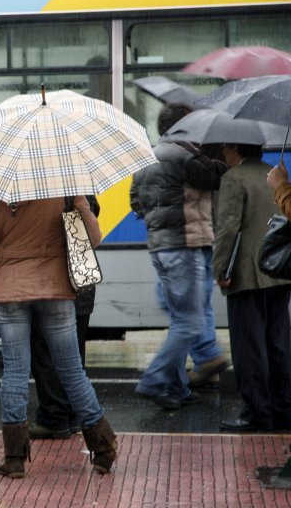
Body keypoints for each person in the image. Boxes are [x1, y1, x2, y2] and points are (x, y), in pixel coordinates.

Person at [0, 190, 117, 478]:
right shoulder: (63, 181)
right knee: (72, 371)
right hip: (55, 285)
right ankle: (104, 447)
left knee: (15, 372)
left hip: (9, 287)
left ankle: (14, 458)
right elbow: (92, 237)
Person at [130, 103, 229, 410]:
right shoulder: (186, 157)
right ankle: (155, 378)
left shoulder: (147, 157)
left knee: (181, 318)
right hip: (186, 247)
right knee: (190, 320)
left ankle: (176, 386)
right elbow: (218, 177)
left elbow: (136, 203)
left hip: (160, 248)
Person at [214, 145, 291, 432]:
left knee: (250, 347)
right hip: (280, 273)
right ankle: (283, 408)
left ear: (232, 147)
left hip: (246, 275)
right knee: (279, 344)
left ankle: (257, 412)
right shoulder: (274, 175)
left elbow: (228, 229)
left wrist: (221, 269)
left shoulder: (234, 178)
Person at [28, 196, 99, 439]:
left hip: (55, 276)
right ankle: (73, 415)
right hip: (81, 275)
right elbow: (94, 220)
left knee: (45, 349)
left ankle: (53, 416)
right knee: (74, 354)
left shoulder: (43, 188)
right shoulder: (79, 183)